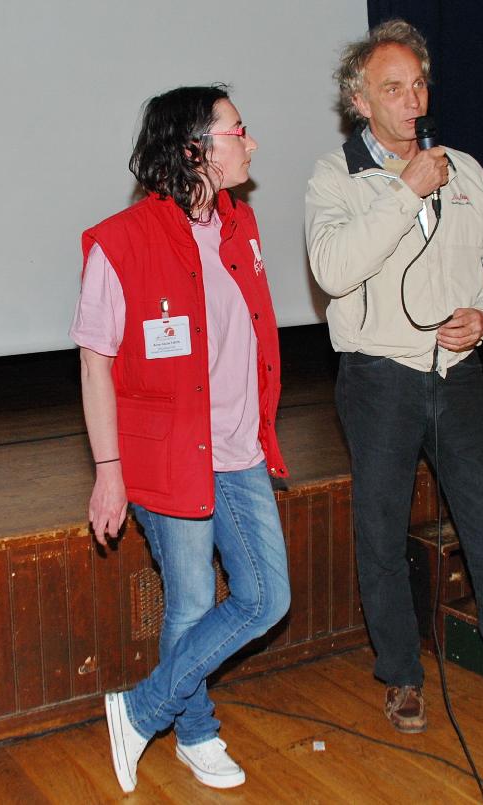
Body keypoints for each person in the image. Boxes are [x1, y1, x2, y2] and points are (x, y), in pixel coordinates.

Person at [305, 19, 483, 733]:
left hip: (456, 373)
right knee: (381, 532)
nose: (413, 100)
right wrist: (405, 191)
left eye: (420, 84)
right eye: (393, 88)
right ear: (360, 101)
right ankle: (401, 676)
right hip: (378, 377)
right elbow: (332, 270)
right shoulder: (335, 176)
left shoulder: (464, 169)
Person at [71, 85, 290, 794]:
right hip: (167, 457)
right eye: (238, 131)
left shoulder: (241, 225)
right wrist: (109, 472)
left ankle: (142, 708)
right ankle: (194, 732)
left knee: (266, 598)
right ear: (195, 149)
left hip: (240, 449)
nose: (250, 144)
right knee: (192, 604)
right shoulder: (120, 241)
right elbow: (95, 363)